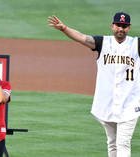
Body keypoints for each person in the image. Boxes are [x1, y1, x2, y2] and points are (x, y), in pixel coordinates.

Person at [48, 12, 140, 157]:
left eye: (124, 26)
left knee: (123, 143)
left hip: (129, 104)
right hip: (107, 104)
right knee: (112, 143)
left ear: (129, 28)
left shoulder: (136, 44)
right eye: (118, 25)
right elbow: (83, 38)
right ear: (112, 26)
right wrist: (64, 28)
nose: (121, 29)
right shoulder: (103, 42)